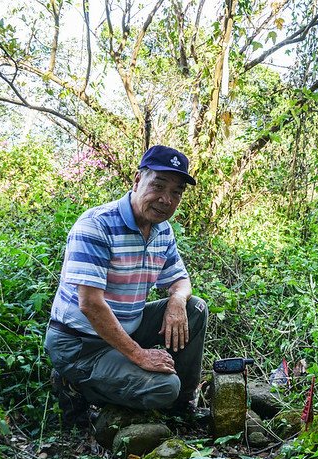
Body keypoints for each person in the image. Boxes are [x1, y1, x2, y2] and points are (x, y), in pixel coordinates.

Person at [44, 145, 208, 425]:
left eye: (176, 192)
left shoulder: (161, 230)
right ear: (136, 180)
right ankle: (74, 385)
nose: (166, 199)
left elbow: (180, 280)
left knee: (195, 308)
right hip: (80, 343)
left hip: (126, 326)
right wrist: (139, 355)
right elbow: (90, 304)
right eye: (158, 185)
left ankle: (182, 406)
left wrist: (177, 301)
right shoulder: (97, 225)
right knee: (163, 387)